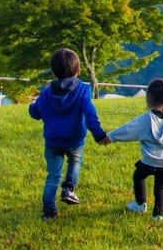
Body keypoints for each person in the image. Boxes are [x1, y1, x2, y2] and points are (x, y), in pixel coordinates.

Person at [28, 48, 108, 220]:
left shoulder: (47, 92)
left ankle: (49, 212)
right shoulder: (82, 90)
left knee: (53, 176)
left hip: (52, 142)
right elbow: (90, 114)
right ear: (78, 70)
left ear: (54, 72)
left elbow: (35, 113)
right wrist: (99, 134)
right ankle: (69, 189)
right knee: (75, 160)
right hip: (74, 140)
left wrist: (33, 105)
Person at [103, 78, 163, 221]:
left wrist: (110, 137)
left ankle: (140, 204)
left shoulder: (146, 119)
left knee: (138, 176)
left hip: (150, 161)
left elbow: (128, 130)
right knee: (160, 188)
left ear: (148, 98)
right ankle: (158, 215)